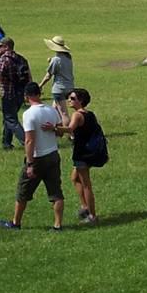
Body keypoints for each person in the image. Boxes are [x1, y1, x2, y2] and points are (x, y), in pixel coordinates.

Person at [0, 82, 65, 231]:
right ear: (39, 94)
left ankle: (16, 223)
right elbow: (60, 132)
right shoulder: (51, 110)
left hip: (38, 157)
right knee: (55, 192)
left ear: (26, 96)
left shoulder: (29, 114)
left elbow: (29, 140)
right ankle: (58, 225)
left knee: (23, 192)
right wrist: (53, 128)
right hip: (53, 154)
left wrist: (29, 163)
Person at [54, 87, 103, 224]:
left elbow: (70, 129)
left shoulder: (77, 115)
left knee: (86, 184)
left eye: (73, 98)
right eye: (69, 98)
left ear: (81, 101)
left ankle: (92, 216)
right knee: (74, 178)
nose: (69, 100)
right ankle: (85, 207)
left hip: (82, 154)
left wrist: (53, 128)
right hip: (90, 152)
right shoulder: (90, 114)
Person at [39, 36, 74, 111]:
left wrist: (40, 85)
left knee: (63, 113)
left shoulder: (56, 60)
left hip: (59, 89)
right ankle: (56, 122)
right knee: (54, 110)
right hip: (69, 87)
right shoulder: (68, 58)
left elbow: (48, 76)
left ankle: (66, 123)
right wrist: (51, 61)